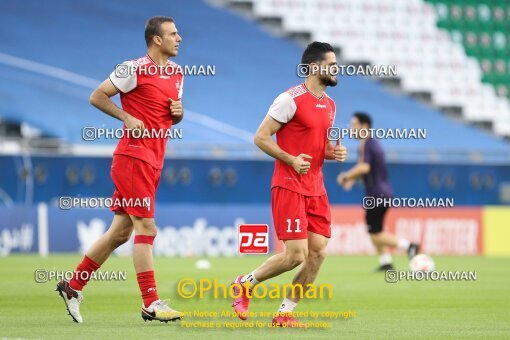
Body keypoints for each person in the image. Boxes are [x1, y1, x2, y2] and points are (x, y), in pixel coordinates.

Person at [56, 16, 184, 323]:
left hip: (154, 159)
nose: (179, 39)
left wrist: (178, 114)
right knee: (147, 228)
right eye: (173, 34)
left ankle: (72, 287)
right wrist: (125, 116)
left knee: (119, 233)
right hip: (133, 157)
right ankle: (151, 303)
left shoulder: (178, 73)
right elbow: (97, 95)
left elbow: (170, 117)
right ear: (156, 39)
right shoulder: (133, 68)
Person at [231, 42, 347, 327]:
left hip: (316, 188)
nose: (336, 69)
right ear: (313, 67)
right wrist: (291, 160)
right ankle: (244, 283)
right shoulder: (289, 99)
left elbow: (315, 146)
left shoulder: (331, 105)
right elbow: (260, 137)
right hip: (289, 185)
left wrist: (333, 153)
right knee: (296, 255)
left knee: (318, 253)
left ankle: (284, 314)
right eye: (331, 64)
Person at [337, 112, 418, 271]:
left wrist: (346, 176)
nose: (351, 128)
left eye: (354, 125)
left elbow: (364, 167)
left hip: (377, 195)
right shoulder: (372, 143)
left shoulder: (366, 144)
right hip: (382, 193)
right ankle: (386, 262)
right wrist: (353, 179)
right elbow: (368, 170)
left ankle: (409, 246)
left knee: (375, 234)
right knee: (374, 230)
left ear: (364, 126)